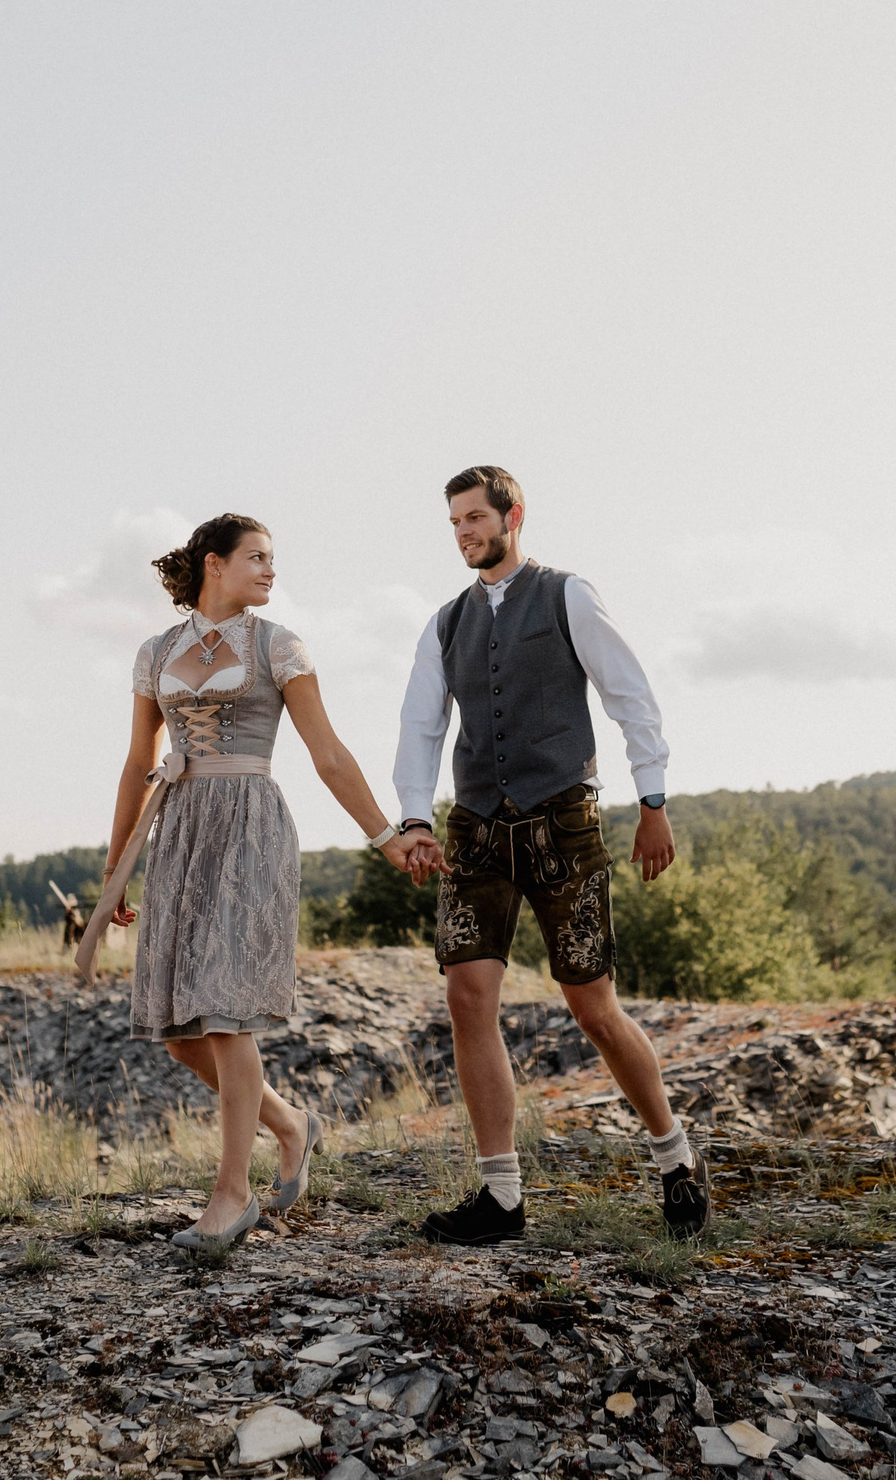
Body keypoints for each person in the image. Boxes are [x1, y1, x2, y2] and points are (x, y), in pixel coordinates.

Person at [86, 512, 435, 1256]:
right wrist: (115, 869)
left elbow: (329, 752)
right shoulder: (155, 654)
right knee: (183, 1035)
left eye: (274, 559)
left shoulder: (279, 645)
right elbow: (133, 764)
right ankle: (290, 1123)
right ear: (214, 563)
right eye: (257, 558)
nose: (272, 571)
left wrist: (385, 837)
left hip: (250, 827)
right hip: (179, 831)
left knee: (223, 1012)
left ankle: (231, 1192)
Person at [394, 465, 709, 1245]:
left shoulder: (567, 593)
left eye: (476, 517)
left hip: (563, 819)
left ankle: (675, 1155)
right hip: (473, 828)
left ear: (513, 516)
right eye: (455, 522)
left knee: (592, 1005)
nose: (465, 532)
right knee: (468, 997)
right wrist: (412, 817)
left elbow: (629, 692)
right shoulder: (444, 623)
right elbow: (420, 726)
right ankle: (501, 1197)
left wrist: (654, 800)